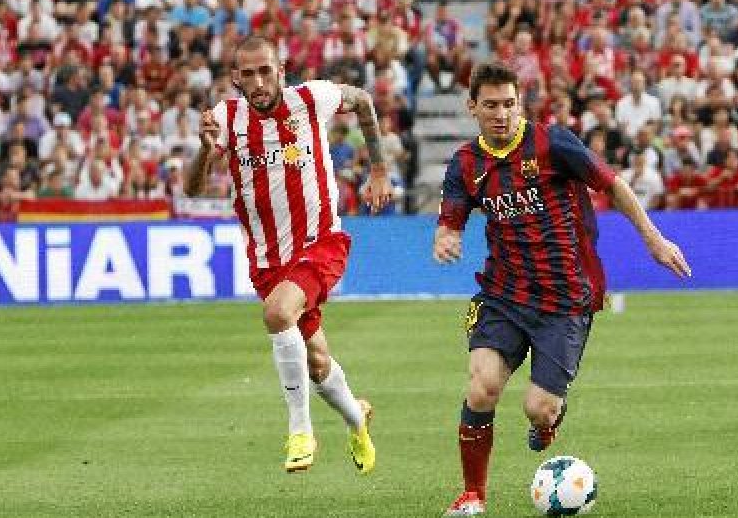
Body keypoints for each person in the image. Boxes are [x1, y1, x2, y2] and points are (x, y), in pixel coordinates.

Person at [434, 64, 691, 516]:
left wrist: (653, 237)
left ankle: (549, 421)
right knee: (482, 388)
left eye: (509, 104)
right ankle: (472, 495)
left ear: (520, 104)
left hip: (565, 299)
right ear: (472, 107)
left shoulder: (553, 144)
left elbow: (613, 185)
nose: (501, 114)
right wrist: (446, 235)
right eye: (490, 105)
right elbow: (451, 217)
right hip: (503, 295)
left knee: (539, 408)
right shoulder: (466, 163)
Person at [185, 36, 394, 474]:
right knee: (316, 361)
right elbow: (192, 190)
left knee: (278, 315)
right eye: (249, 74)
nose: (259, 81)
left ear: (280, 69)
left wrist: (378, 169)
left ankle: (300, 430)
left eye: (266, 70)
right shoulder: (226, 118)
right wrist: (205, 151)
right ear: (236, 79)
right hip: (268, 261)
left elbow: (363, 102)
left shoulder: (312, 98)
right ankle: (358, 419)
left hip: (321, 243)